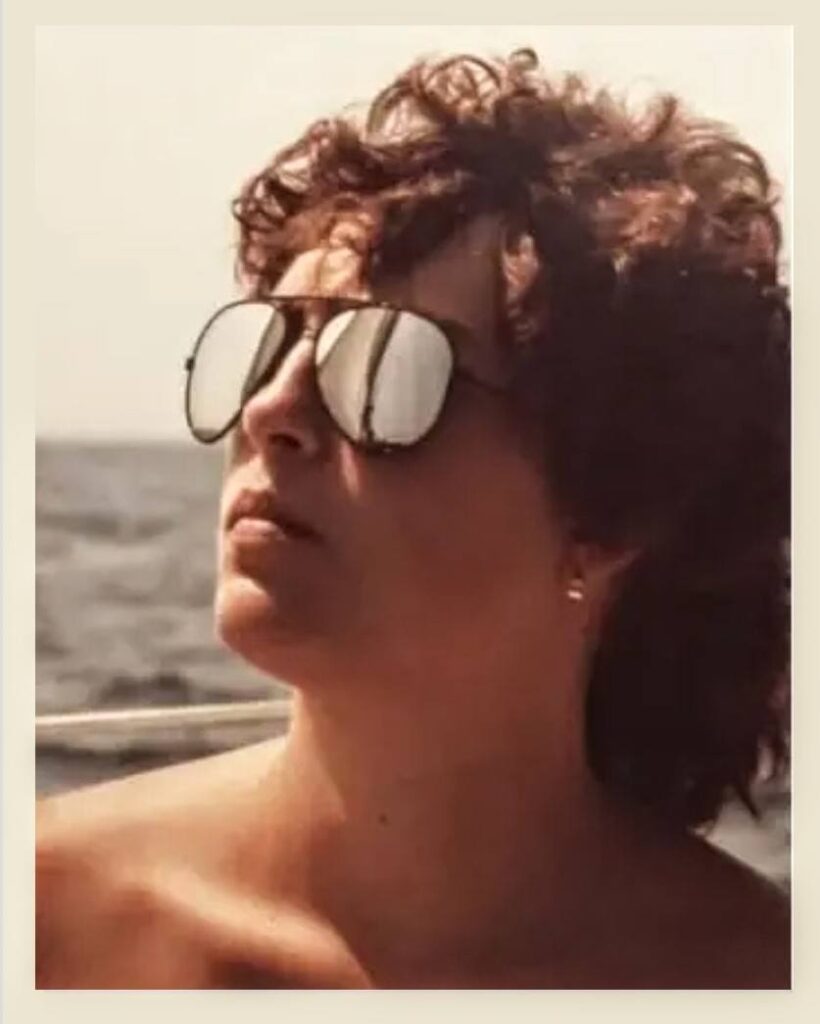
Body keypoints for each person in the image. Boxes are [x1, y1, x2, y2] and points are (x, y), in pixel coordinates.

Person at [36, 50, 790, 988]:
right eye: (267, 342)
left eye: (383, 368)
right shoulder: (40, 914)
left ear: (615, 508)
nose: (271, 410)